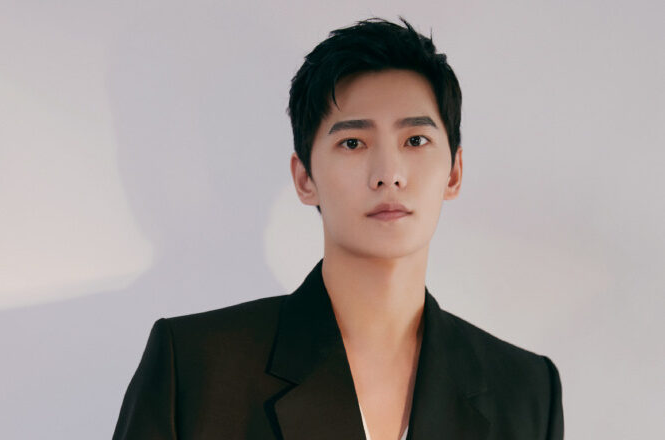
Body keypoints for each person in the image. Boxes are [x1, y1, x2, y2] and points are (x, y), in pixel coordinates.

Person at [112, 16, 564, 440]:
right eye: (353, 142)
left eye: (415, 140)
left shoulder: (526, 390)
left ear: (454, 173)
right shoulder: (196, 368)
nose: (388, 174)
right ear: (304, 179)